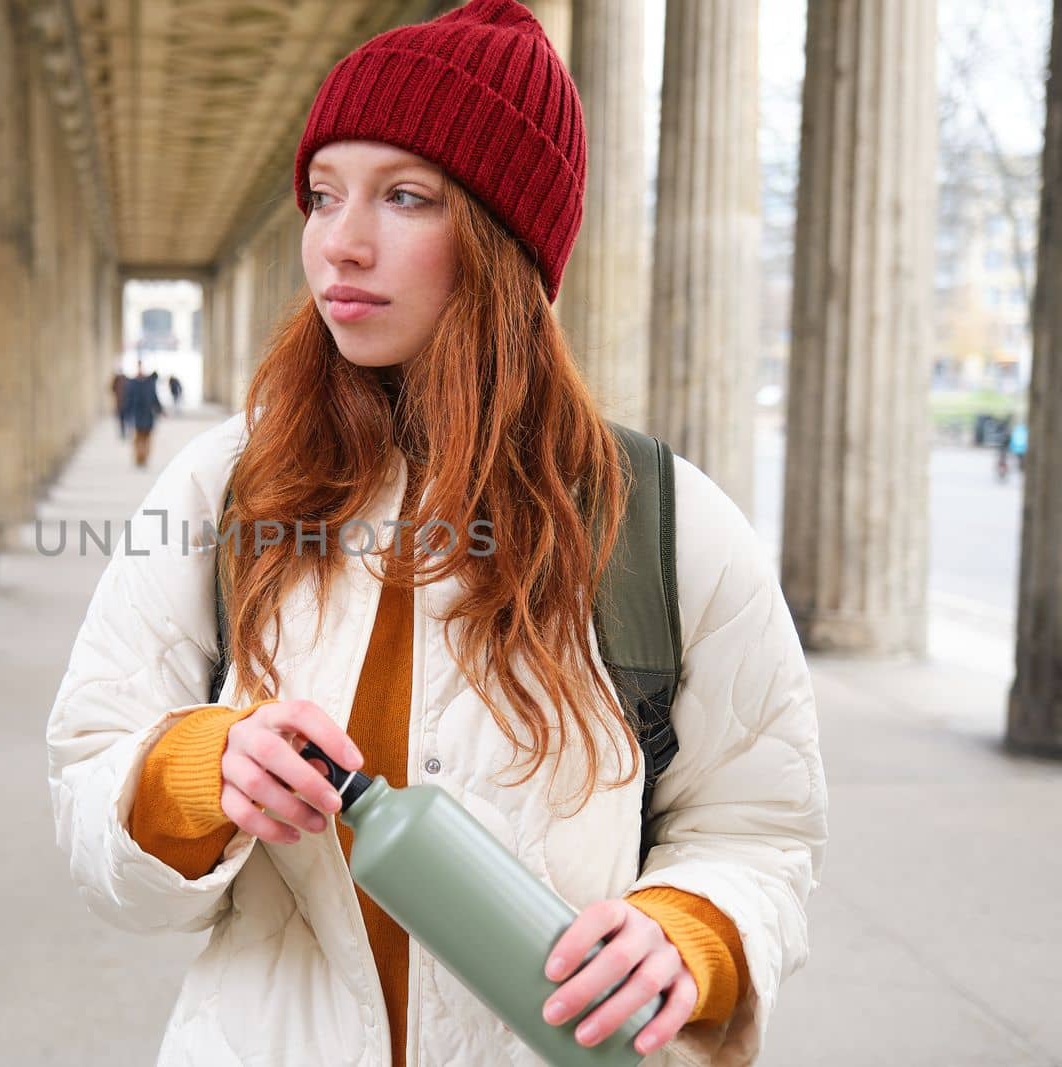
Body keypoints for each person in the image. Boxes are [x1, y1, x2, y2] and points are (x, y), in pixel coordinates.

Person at [47, 3, 828, 1065]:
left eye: (404, 196)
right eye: (323, 196)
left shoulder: (661, 515)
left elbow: (758, 830)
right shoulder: (223, 486)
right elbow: (90, 783)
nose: (340, 242)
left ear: (507, 241)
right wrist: (198, 773)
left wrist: (691, 931)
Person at [123, 361, 164, 468]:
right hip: (137, 416)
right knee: (138, 439)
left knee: (147, 438)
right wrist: (126, 414)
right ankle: (139, 458)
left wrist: (160, 410)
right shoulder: (132, 383)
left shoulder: (149, 383)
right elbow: (129, 400)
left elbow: (155, 398)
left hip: (148, 416)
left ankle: (144, 458)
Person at [110, 370, 131, 439]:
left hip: (126, 403)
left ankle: (126, 432)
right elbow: (112, 389)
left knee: (126, 419)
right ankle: (123, 432)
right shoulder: (117, 380)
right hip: (120, 403)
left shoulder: (126, 379)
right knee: (122, 419)